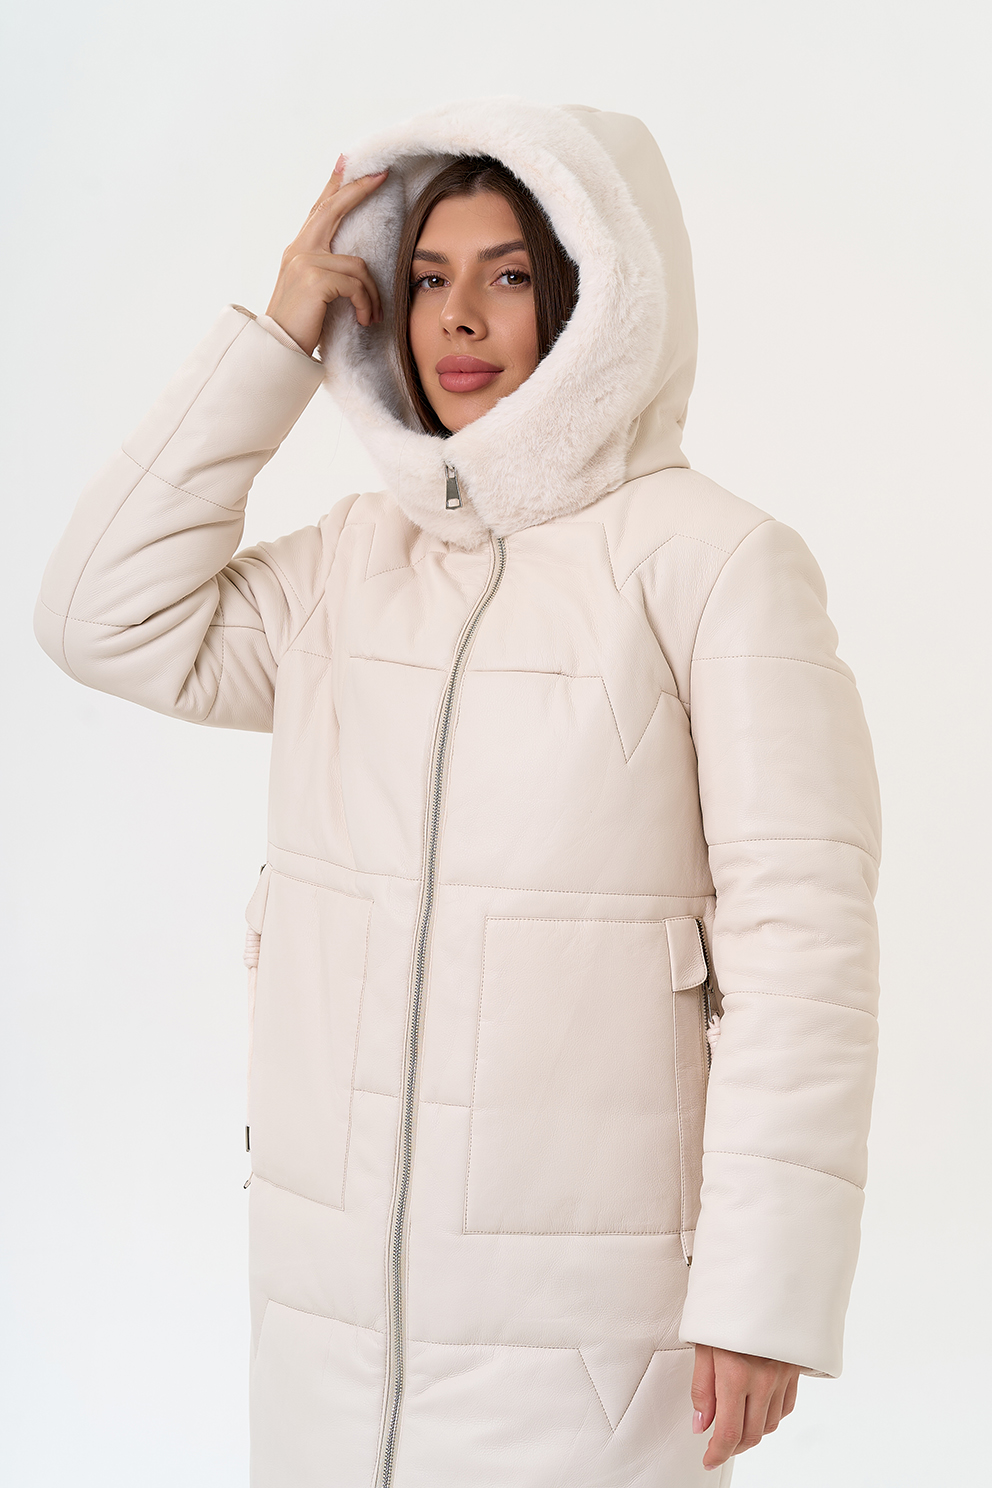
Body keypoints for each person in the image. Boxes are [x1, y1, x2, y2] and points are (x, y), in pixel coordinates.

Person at [34, 98, 881, 1487]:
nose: (461, 319)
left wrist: (764, 1292)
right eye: (427, 278)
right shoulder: (345, 568)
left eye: (510, 275)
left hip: (591, 1348)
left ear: (596, 300)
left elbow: (805, 942)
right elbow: (98, 616)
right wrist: (275, 346)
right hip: (326, 1332)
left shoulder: (715, 564)